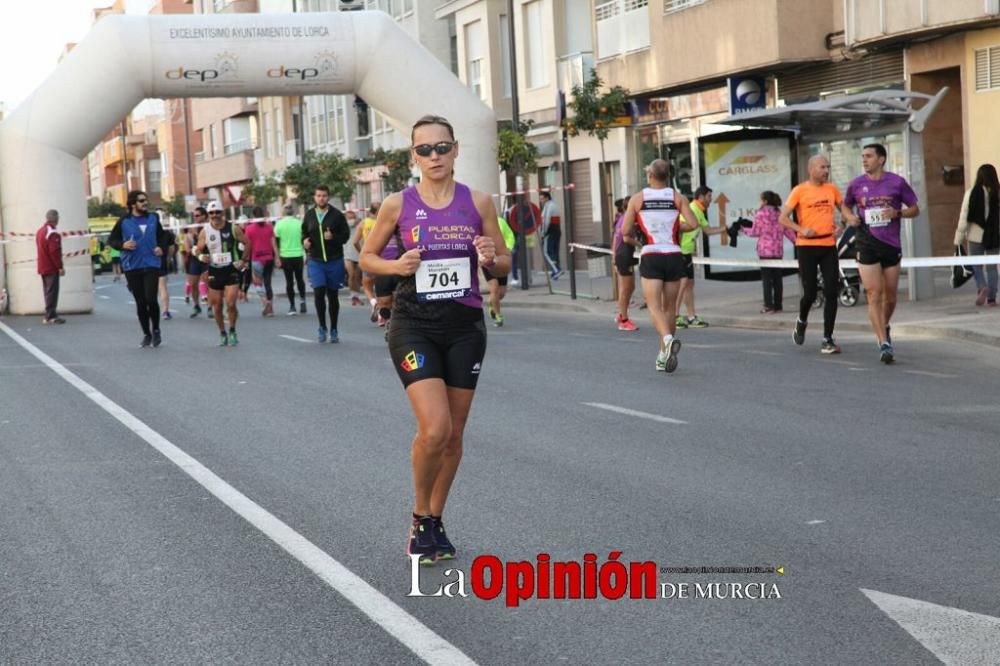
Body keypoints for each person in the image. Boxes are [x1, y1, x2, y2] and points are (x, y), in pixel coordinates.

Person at [360, 115, 509, 565]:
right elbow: (367, 257)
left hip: (464, 326)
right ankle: (418, 515)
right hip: (413, 324)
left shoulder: (479, 202)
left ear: (456, 149)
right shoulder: (396, 205)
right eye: (424, 150)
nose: (434, 156)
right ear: (413, 156)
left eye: (441, 147)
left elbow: (503, 263)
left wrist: (490, 258)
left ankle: (434, 519)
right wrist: (397, 267)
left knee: (455, 434)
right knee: (435, 428)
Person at [844, 143, 920, 364]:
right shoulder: (856, 184)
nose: (864, 160)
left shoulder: (896, 182)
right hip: (866, 242)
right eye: (863, 157)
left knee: (891, 296)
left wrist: (897, 212)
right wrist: (849, 216)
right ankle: (883, 342)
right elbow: (845, 205)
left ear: (881, 159)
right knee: (873, 294)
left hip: (890, 244)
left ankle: (883, 325)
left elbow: (915, 208)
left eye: (869, 156)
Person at [621, 159, 700, 372]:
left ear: (650, 176)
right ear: (668, 177)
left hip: (652, 254)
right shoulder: (678, 197)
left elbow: (625, 231)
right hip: (674, 255)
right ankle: (663, 356)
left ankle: (667, 340)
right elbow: (693, 224)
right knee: (669, 309)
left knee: (654, 307)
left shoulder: (638, 199)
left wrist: (641, 227)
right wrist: (675, 227)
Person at [780, 154, 859, 354]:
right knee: (810, 293)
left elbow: (843, 209)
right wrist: (801, 229)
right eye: (822, 167)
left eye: (828, 167)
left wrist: (847, 221)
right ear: (811, 169)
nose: (826, 171)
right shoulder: (799, 190)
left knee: (832, 290)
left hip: (828, 245)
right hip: (806, 246)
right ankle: (802, 319)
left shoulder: (831, 189)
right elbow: (783, 218)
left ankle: (827, 338)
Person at [108, 190, 170, 347]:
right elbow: (112, 239)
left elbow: (164, 237)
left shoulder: (153, 218)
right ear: (132, 204)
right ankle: (146, 334)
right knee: (141, 302)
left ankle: (156, 330)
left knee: (151, 298)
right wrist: (122, 245)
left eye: (146, 200)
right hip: (132, 265)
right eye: (141, 201)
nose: (145, 203)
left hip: (151, 263)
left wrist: (162, 248)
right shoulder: (124, 221)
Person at [194, 200, 248, 346]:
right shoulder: (205, 231)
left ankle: (232, 330)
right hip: (214, 270)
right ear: (208, 215)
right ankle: (222, 332)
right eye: (211, 213)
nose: (215, 215)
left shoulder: (233, 228)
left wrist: (244, 260)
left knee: (230, 304)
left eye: (217, 212)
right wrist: (200, 256)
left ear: (222, 213)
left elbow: (247, 242)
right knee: (217, 305)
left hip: (231, 269)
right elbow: (198, 249)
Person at [303, 185, 350, 343]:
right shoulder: (309, 215)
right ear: (314, 198)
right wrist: (304, 242)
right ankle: (322, 326)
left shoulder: (336, 215)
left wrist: (333, 237)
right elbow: (304, 232)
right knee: (318, 292)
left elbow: (345, 236)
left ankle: (334, 329)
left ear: (328, 197)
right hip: (316, 260)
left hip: (334, 260)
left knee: (333, 295)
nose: (321, 198)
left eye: (324, 195)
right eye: (318, 195)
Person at [675, 186, 726, 329]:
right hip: (681, 251)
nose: (711, 199)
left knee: (689, 284)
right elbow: (678, 227)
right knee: (683, 283)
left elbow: (708, 231)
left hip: (688, 251)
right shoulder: (690, 208)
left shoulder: (700, 212)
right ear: (701, 197)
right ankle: (675, 316)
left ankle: (691, 317)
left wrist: (727, 228)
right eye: (709, 196)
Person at [954, 163, 999, 308]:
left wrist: (958, 239)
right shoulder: (998, 193)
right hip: (994, 236)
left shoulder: (971, 192)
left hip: (975, 235)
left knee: (976, 265)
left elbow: (964, 216)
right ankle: (991, 299)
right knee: (992, 268)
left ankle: (982, 286)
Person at [745, 191, 796, 314]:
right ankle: (778, 305)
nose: (760, 202)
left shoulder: (760, 214)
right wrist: (798, 242)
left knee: (767, 280)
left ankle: (768, 305)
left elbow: (755, 232)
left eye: (761, 200)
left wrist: (743, 229)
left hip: (764, 251)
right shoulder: (780, 213)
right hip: (777, 251)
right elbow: (789, 232)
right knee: (778, 279)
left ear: (765, 201)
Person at [244, 206, 280, 317]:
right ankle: (271, 308)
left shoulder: (249, 228)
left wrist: (245, 259)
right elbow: (274, 244)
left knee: (257, 282)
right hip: (269, 258)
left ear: (253, 216)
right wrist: (277, 258)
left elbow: (248, 245)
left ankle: (265, 302)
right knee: (268, 283)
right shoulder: (269, 227)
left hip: (257, 259)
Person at [612, 197, 639, 331]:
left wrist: (613, 256)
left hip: (623, 254)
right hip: (624, 255)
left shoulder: (621, 218)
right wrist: (641, 245)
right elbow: (626, 238)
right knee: (625, 288)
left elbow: (614, 239)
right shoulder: (626, 219)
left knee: (630, 287)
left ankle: (622, 313)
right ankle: (624, 320)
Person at [275, 203, 307, 315]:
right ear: (293, 212)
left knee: (289, 282)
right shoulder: (299, 223)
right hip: (298, 254)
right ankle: (302, 300)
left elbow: (277, 242)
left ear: (283, 212)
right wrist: (306, 253)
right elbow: (304, 239)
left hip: (285, 256)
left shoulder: (279, 224)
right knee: (300, 279)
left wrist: (277, 257)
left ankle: (292, 306)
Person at [485, 214, 516, 326]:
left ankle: (492, 304)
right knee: (494, 288)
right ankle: (498, 316)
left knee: (501, 293)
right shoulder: (480, 222)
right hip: (487, 260)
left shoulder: (501, 222)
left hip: (501, 260)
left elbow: (510, 236)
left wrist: (508, 249)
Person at [36, 209, 65, 325]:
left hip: (42, 265)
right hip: (51, 267)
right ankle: (50, 315)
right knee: (52, 291)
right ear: (55, 218)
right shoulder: (52, 233)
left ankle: (49, 314)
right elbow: (54, 252)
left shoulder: (40, 231)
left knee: (47, 291)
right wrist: (60, 267)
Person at [356, 202, 381, 322]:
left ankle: (373, 302)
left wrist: (362, 252)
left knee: (367, 285)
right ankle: (382, 313)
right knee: (382, 288)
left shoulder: (363, 223)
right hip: (382, 258)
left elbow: (355, 242)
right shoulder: (383, 222)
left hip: (368, 258)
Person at [184, 208, 210, 318]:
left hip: (207, 258)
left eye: (198, 215)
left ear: (204, 216)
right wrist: (188, 244)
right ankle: (196, 306)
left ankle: (210, 307)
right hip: (195, 259)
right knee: (193, 284)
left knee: (205, 282)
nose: (196, 217)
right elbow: (187, 243)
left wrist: (197, 235)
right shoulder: (192, 228)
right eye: (194, 215)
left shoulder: (209, 227)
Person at [343, 209, 365, 306]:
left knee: (357, 276)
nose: (350, 215)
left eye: (352, 213)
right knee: (351, 275)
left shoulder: (360, 223)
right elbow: (349, 224)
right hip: (348, 253)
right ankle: (353, 296)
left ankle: (356, 295)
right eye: (348, 213)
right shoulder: (344, 224)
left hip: (359, 252)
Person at [540, 190, 563, 279]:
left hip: (549, 232)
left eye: (542, 199)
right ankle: (556, 271)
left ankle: (556, 269)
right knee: (555, 252)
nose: (541, 201)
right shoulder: (555, 205)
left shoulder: (548, 207)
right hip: (557, 231)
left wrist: (543, 233)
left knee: (547, 253)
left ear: (547, 198)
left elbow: (546, 221)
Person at [157, 221, 177, 321]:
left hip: (148, 262)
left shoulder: (147, 232)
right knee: (163, 287)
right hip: (161, 261)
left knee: (149, 289)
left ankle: (148, 311)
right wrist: (168, 259)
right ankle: (165, 311)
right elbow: (172, 249)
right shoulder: (167, 234)